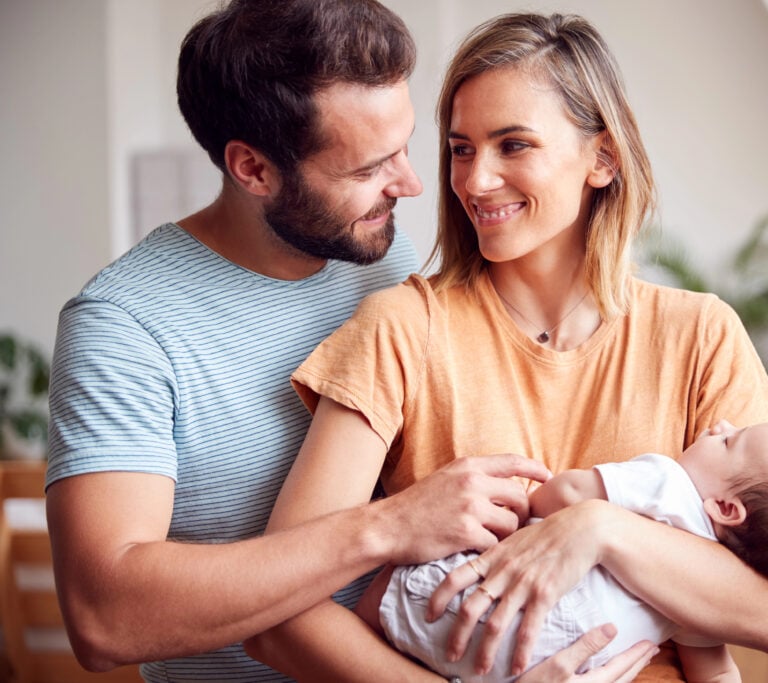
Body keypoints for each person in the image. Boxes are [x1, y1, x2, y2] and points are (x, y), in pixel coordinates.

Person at [45, 2, 648, 682]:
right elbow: (104, 616)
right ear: (254, 169)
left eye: (407, 147)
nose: (413, 184)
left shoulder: (387, 265)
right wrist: (388, 525)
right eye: (368, 169)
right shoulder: (124, 325)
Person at [247, 11, 768, 682]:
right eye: (460, 148)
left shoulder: (700, 335)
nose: (476, 181)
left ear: (602, 158)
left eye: (513, 145)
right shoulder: (402, 328)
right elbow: (275, 607)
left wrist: (597, 529)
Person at [355, 419, 768, 682]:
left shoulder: (669, 484)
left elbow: (569, 495)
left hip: (484, 608)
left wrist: (532, 509)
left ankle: (373, 617)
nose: (719, 425)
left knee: (400, 582)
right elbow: (717, 671)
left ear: (726, 507)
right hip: (538, 667)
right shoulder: (697, 592)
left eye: (731, 442)